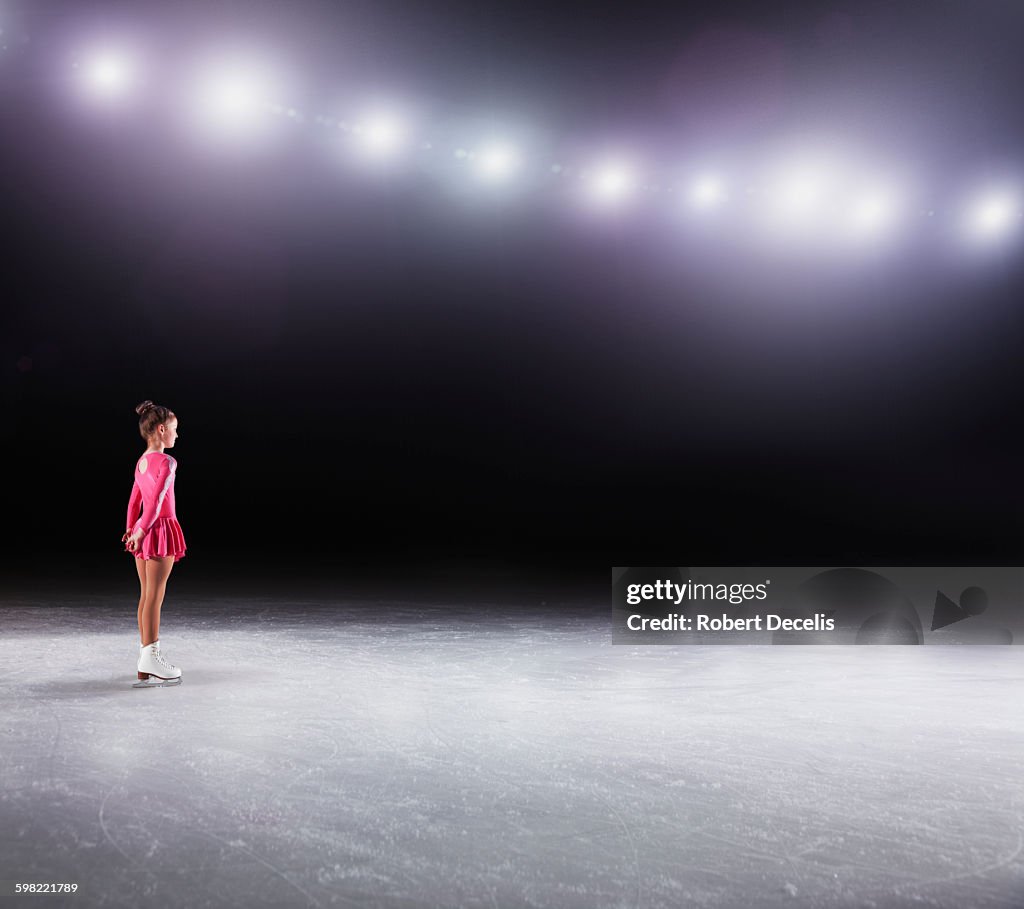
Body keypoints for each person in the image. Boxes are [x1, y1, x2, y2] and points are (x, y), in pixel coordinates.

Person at [123, 400, 187, 688]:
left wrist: (132, 529)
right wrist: (143, 529)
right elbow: (159, 496)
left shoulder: (141, 462)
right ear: (161, 430)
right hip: (158, 529)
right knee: (155, 597)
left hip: (142, 530)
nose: (177, 435)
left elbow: (134, 500)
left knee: (145, 595)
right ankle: (151, 656)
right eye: (174, 430)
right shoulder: (168, 462)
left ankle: (144, 659)